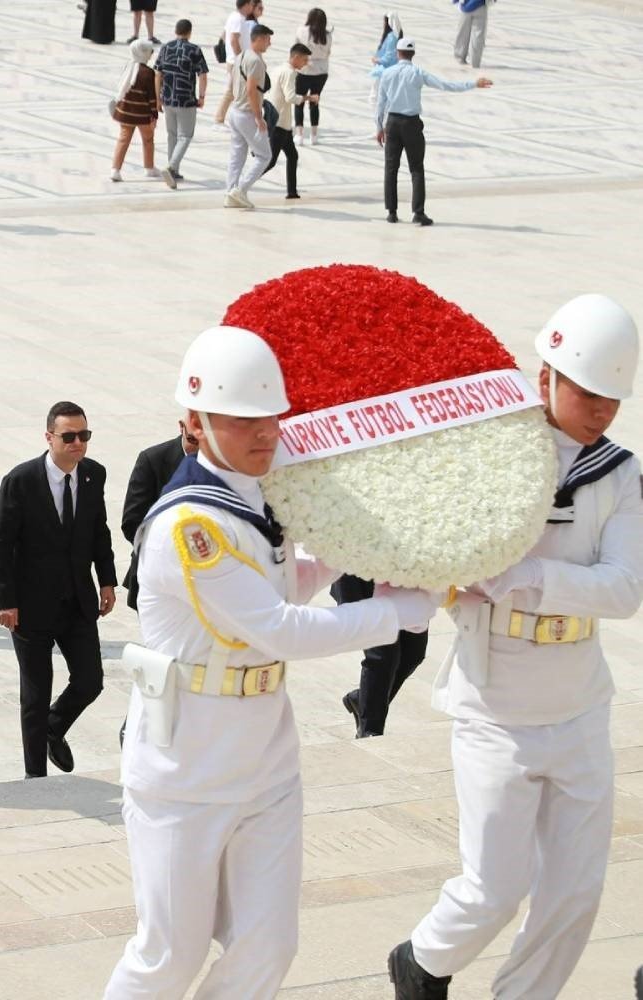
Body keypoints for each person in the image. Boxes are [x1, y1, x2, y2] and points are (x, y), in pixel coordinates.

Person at [103, 326, 436, 998]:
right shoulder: (187, 527)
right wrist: (392, 614)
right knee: (170, 953)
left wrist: (349, 551)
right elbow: (275, 628)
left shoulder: (259, 502)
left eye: (270, 417)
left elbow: (283, 585)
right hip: (187, 768)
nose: (263, 433)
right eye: (241, 419)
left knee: (269, 945)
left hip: (265, 758)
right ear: (194, 425)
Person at [390, 295, 642, 1000]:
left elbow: (623, 589)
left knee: (574, 895)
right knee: (493, 888)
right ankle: (423, 960)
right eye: (588, 393)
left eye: (613, 400)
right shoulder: (488, 453)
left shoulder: (620, 475)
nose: (600, 412)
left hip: (579, 703)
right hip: (495, 703)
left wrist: (516, 575)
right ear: (546, 379)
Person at [0, 402, 117, 779]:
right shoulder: (21, 480)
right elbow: (1, 543)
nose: (78, 443)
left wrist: (107, 580)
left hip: (77, 600)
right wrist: (6, 601)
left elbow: (99, 530)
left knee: (90, 680)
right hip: (31, 606)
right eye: (69, 437)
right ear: (49, 437)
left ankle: (52, 728)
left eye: (84, 436)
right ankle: (35, 777)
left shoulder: (94, 475)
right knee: (35, 693)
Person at [375, 38, 493, 226]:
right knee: (416, 168)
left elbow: (380, 102)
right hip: (411, 124)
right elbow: (445, 85)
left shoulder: (387, 74)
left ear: (398, 53)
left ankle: (391, 212)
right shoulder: (417, 73)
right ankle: (418, 212)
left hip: (393, 123)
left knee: (391, 168)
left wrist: (379, 127)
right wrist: (473, 83)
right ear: (412, 54)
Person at [330, 576, 427, 738]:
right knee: (382, 655)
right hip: (362, 574)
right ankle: (370, 731)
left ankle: (362, 700)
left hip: (405, 575)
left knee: (413, 652)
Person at [119, 422, 198, 611]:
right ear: (181, 427)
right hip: (158, 576)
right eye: (193, 439)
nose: (200, 447)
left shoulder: (219, 461)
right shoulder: (152, 459)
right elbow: (133, 523)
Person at [219, 24, 274, 210]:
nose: (270, 43)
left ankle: (230, 193)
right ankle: (240, 190)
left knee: (237, 155)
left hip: (235, 111)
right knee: (264, 155)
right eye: (267, 39)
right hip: (247, 113)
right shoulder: (256, 61)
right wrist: (259, 117)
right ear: (258, 39)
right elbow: (251, 89)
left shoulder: (240, 55)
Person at [154, 19, 208, 189]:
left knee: (172, 135)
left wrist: (158, 98)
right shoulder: (194, 50)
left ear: (175, 30)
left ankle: (174, 170)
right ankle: (171, 167)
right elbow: (203, 75)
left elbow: (158, 74)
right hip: (185, 100)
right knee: (185, 136)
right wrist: (201, 96)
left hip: (167, 98)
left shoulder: (165, 48)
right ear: (189, 32)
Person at [263, 42, 309, 199]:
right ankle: (241, 185)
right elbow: (290, 97)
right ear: (296, 57)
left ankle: (292, 192)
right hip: (280, 122)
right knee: (270, 161)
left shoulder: (278, 69)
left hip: (278, 120)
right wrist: (307, 98)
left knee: (292, 155)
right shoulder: (289, 73)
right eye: (304, 60)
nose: (306, 63)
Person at [110, 39, 160, 182]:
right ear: (143, 53)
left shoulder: (129, 67)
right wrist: (154, 114)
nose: (151, 53)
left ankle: (115, 169)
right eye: (150, 51)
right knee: (148, 140)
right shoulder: (148, 73)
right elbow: (152, 97)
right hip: (142, 114)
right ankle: (149, 168)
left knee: (123, 140)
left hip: (125, 112)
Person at [295, 9, 331, 144]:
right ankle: (314, 135)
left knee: (299, 101)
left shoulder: (301, 31)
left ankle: (299, 135)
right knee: (315, 101)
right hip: (321, 71)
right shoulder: (327, 36)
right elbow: (328, 53)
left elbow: (296, 49)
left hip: (304, 70)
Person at [368, 13, 403, 106]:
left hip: (385, 70)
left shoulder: (392, 37)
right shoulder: (396, 35)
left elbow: (389, 56)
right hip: (391, 70)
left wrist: (377, 60)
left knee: (376, 93)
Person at [453, 0, 490, 69]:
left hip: (465, 6)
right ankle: (475, 62)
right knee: (478, 35)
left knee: (463, 33)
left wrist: (455, 2)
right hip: (481, 6)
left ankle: (460, 57)